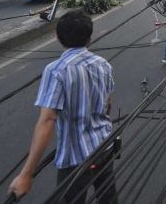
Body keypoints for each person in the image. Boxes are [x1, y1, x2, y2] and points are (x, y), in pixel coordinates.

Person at [8, 11, 118, 204]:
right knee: (108, 197)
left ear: (58, 38)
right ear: (90, 38)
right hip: (104, 146)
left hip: (75, 158)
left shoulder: (56, 70)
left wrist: (27, 174)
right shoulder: (103, 65)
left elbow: (48, 120)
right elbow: (108, 104)